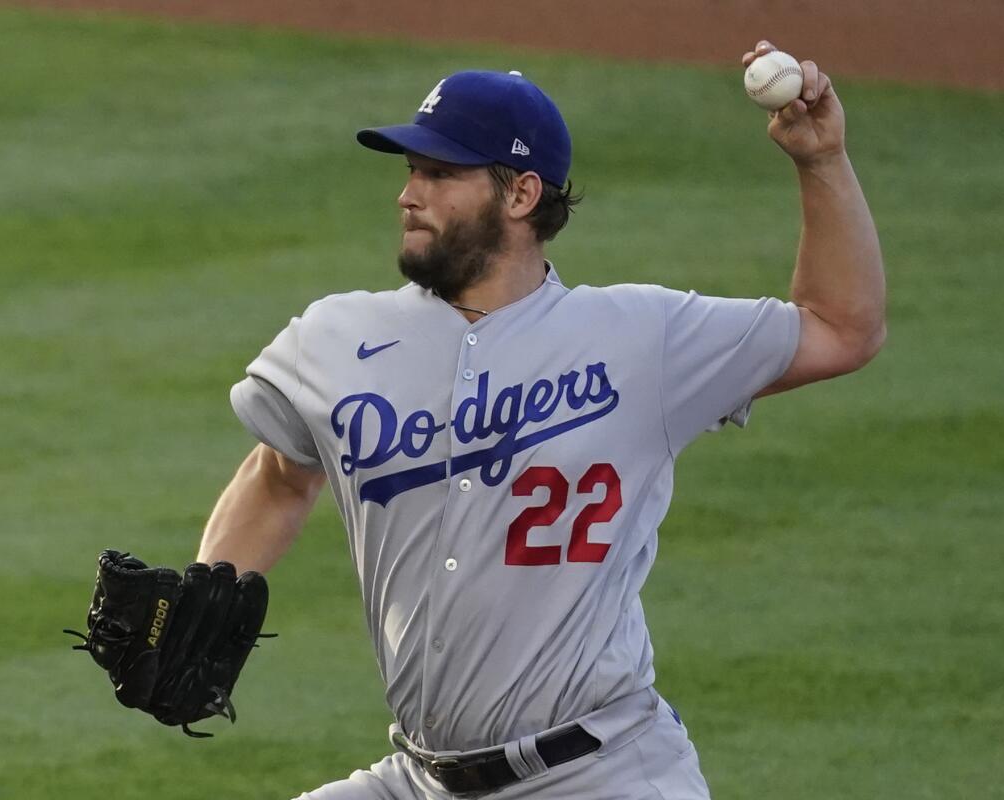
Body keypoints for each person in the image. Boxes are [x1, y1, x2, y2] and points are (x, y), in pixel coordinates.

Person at [196, 40, 885, 800]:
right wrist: (210, 584)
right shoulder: (336, 340)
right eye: (410, 170)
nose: (408, 194)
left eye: (440, 173)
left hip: (599, 774)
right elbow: (280, 475)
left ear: (521, 195)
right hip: (420, 781)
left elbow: (840, 327)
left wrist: (821, 163)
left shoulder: (642, 340)